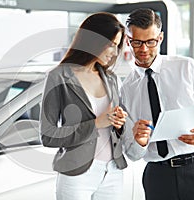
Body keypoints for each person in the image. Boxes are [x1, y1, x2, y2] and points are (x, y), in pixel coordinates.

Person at [121, 8, 194, 200]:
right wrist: (139, 141)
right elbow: (132, 153)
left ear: (161, 38)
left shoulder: (186, 67)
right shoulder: (125, 89)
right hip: (158, 176)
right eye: (137, 42)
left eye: (151, 42)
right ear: (127, 40)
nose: (144, 49)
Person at [40, 12, 135, 200]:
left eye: (117, 46)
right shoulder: (58, 77)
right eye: (111, 45)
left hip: (113, 171)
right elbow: (48, 136)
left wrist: (119, 123)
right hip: (77, 174)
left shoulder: (112, 79)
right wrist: (96, 123)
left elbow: (118, 129)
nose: (114, 53)